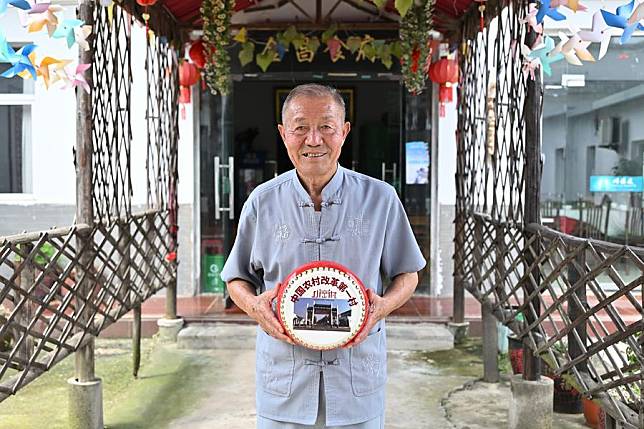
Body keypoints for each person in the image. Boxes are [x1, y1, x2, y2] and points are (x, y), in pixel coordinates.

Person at [221, 84, 426, 429]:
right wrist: (254, 306)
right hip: (283, 383)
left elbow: (408, 274)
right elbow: (236, 278)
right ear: (284, 134)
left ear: (344, 132)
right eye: (300, 127)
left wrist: (384, 306)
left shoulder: (381, 199)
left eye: (326, 127)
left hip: (356, 379)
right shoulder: (262, 201)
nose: (313, 140)